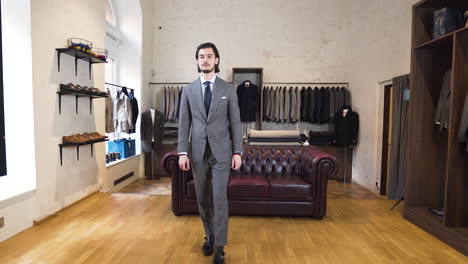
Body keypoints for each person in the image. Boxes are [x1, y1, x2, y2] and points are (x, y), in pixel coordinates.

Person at [178, 42, 243, 264]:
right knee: (202, 198)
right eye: (201, 56)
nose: (205, 60)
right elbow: (183, 124)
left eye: (209, 56)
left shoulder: (228, 89)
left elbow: (235, 122)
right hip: (196, 152)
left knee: (219, 197)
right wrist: (182, 152)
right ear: (197, 61)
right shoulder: (188, 90)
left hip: (222, 153)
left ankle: (220, 247)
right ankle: (209, 235)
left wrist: (238, 151)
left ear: (216, 60)